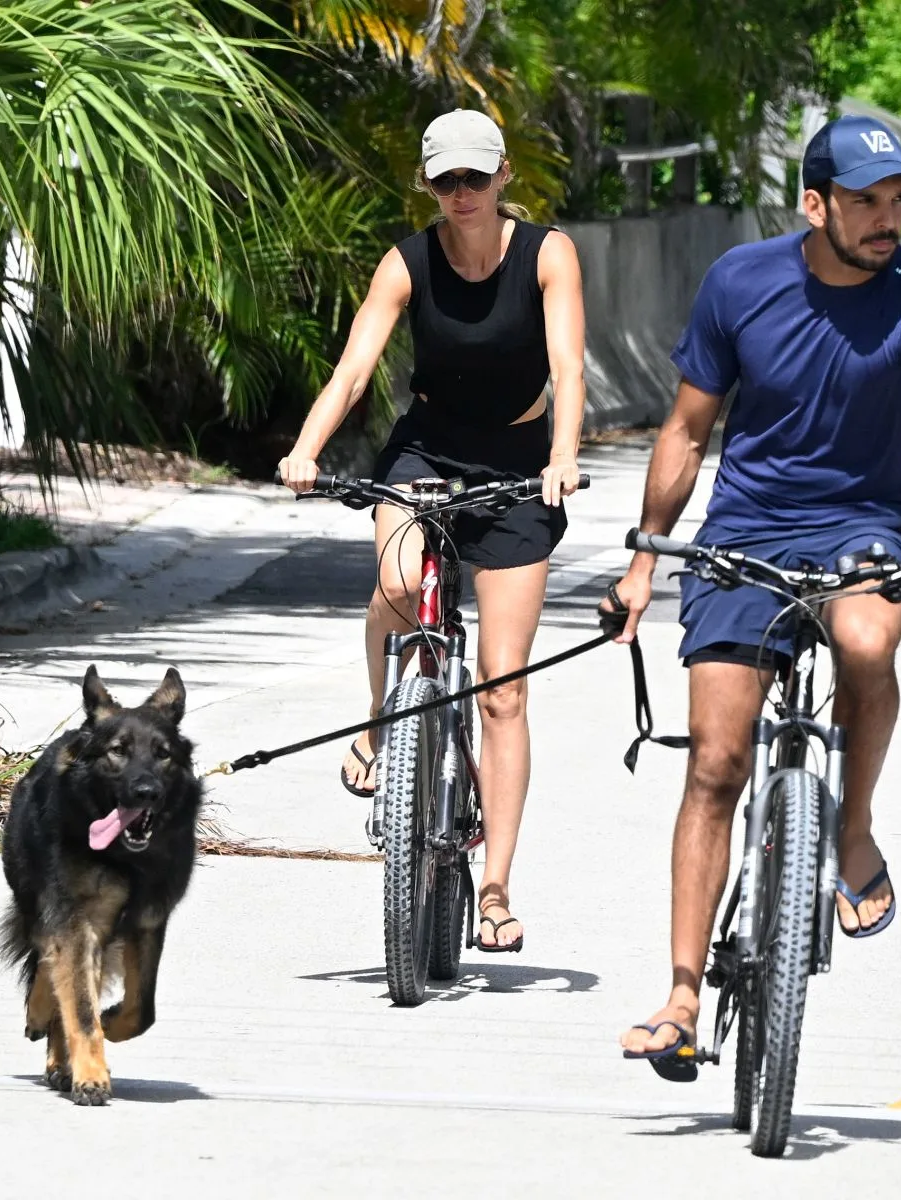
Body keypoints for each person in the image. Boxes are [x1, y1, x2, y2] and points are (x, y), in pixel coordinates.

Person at [607, 115, 901, 1060]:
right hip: (745, 529)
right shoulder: (741, 284)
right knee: (715, 761)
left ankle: (851, 833)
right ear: (814, 204)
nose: (887, 217)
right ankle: (682, 996)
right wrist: (647, 560)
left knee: (866, 643)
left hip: (867, 523)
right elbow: (688, 429)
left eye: (897, 199)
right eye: (865, 201)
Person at [279, 108, 586, 953]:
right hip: (428, 447)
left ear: (501, 179)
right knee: (396, 582)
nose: (461, 195)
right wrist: (306, 448)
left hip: (522, 459)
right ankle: (380, 718)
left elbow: (567, 366)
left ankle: (494, 889)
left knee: (504, 686)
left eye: (474, 179)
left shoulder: (547, 255)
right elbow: (353, 370)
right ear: (427, 182)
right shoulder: (406, 262)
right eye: (445, 180)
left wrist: (562, 454)